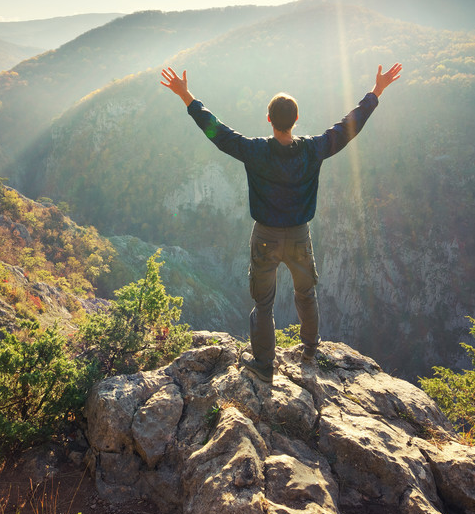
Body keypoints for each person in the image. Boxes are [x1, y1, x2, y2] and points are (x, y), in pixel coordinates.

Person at [160, 62, 402, 382]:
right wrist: (377, 91)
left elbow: (217, 132)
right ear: (297, 120)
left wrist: (186, 96)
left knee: (263, 302)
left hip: (265, 237)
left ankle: (263, 364)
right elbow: (348, 126)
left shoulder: (255, 151)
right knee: (306, 293)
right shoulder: (314, 149)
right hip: (300, 236)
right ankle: (311, 349)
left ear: (269, 119)